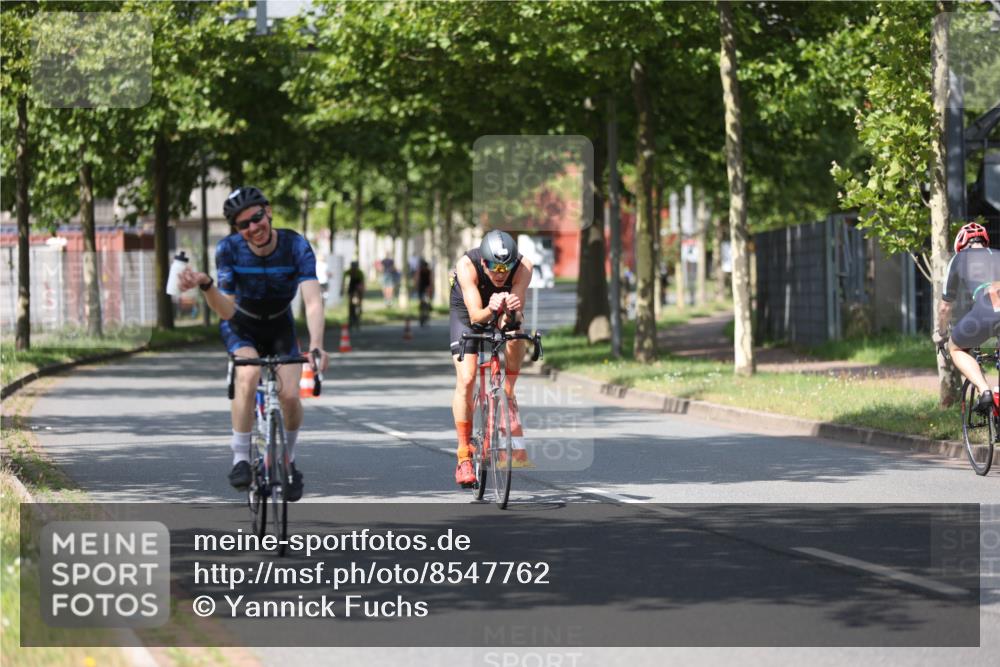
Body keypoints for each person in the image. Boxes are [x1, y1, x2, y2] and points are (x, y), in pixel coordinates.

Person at [177, 186, 329, 501]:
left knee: (289, 395)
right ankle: (240, 458)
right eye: (243, 225)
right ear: (236, 229)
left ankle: (288, 460)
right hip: (241, 325)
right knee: (247, 374)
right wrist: (207, 286)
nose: (253, 228)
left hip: (279, 324)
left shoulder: (295, 245)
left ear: (268, 211)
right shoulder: (229, 249)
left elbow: (312, 300)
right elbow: (227, 309)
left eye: (256, 218)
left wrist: (316, 345)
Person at [449, 230, 535, 486]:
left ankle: (507, 393)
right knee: (467, 377)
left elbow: (516, 319)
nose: (500, 273)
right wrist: (492, 307)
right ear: (484, 262)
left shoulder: (523, 268)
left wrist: (510, 312)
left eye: (505, 267)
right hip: (468, 311)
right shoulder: (467, 265)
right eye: (494, 267)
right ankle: (464, 455)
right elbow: (476, 316)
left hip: (501, 308)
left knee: (517, 334)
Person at [936, 222, 1000, 414]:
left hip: (984, 312)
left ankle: (985, 391)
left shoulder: (958, 258)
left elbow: (945, 307)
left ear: (961, 244)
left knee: (955, 348)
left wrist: (941, 333)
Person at [343, 260, 366, 329]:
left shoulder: (360, 273)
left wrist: (361, 291)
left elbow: (362, 283)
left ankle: (359, 312)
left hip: (358, 286)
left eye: (355, 268)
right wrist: (342, 289)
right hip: (351, 287)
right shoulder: (348, 272)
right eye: (353, 267)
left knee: (359, 302)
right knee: (350, 303)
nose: (354, 269)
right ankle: (351, 316)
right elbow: (343, 281)